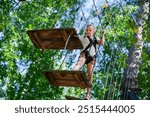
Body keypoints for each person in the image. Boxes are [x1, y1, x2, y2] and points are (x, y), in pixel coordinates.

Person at [73, 24, 105, 100]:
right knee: (80, 63)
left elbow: (102, 43)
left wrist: (103, 34)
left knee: (90, 75)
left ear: (94, 31)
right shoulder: (83, 37)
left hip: (91, 57)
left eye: (90, 30)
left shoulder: (95, 38)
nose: (88, 31)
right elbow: (74, 39)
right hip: (84, 53)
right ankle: (73, 71)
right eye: (87, 30)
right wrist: (75, 32)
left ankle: (87, 94)